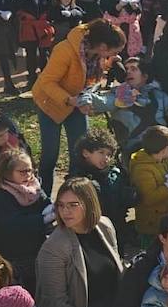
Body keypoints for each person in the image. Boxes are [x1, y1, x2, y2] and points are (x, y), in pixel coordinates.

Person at [32, 18, 126, 194]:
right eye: (114, 52)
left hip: (76, 102)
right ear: (103, 47)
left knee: (82, 153)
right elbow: (47, 82)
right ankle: (43, 198)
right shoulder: (65, 50)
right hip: (50, 103)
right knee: (50, 155)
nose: (114, 55)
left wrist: (109, 64)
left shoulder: (96, 53)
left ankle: (76, 196)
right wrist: (70, 100)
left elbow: (87, 73)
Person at [34, 177, 122, 307]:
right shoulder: (54, 247)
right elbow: (55, 302)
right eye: (61, 205)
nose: (65, 211)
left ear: (89, 204)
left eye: (73, 205)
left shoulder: (105, 226)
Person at [0, 149, 52, 287]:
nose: (29, 175)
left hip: (38, 252)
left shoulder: (33, 189)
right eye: (22, 172)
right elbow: (11, 225)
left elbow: (47, 204)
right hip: (12, 258)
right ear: (7, 173)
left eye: (31, 170)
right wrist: (42, 220)